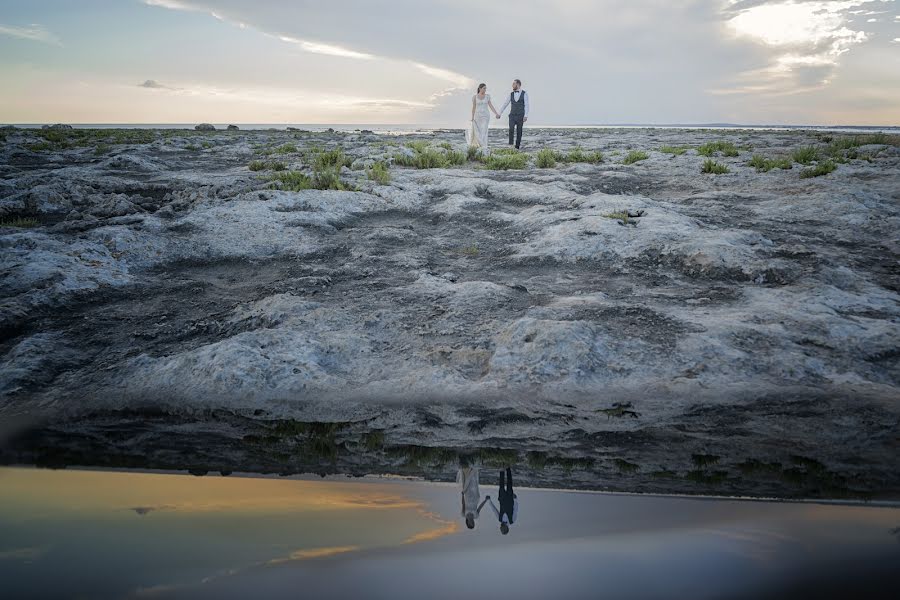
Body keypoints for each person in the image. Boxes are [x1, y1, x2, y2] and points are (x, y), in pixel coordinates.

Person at [465, 83, 500, 154]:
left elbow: (491, 106)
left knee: (484, 130)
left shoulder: (487, 97)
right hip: (477, 116)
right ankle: (480, 145)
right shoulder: (475, 97)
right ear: (480, 88)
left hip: (485, 116)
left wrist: (496, 113)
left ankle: (484, 146)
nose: (485, 90)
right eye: (484, 88)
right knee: (478, 131)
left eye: (485, 88)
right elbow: (474, 107)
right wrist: (472, 117)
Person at [495, 79, 529, 150]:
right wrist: (499, 113)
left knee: (519, 131)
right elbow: (505, 104)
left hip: (520, 115)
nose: (512, 85)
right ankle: (510, 145)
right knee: (511, 129)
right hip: (512, 115)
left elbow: (527, 105)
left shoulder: (524, 93)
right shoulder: (511, 94)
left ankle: (517, 147)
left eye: (514, 84)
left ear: (518, 85)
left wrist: (525, 115)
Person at [485, 467, 519, 535]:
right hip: (510, 499)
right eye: (502, 529)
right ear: (506, 528)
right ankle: (508, 468)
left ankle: (501, 469)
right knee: (509, 484)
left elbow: (494, 510)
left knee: (501, 485)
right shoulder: (512, 520)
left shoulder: (499, 519)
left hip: (502, 499)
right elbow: (515, 509)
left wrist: (489, 501)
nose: (501, 528)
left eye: (501, 529)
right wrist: (515, 499)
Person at [456, 461, 489, 530]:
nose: (473, 523)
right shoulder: (476, 516)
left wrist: (462, 495)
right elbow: (480, 507)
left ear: (468, 523)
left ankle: (469, 467)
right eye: (473, 524)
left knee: (469, 483)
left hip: (468, 497)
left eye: (472, 524)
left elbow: (463, 504)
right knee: (475, 482)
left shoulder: (463, 514)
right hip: (476, 497)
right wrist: (485, 500)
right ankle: (474, 467)